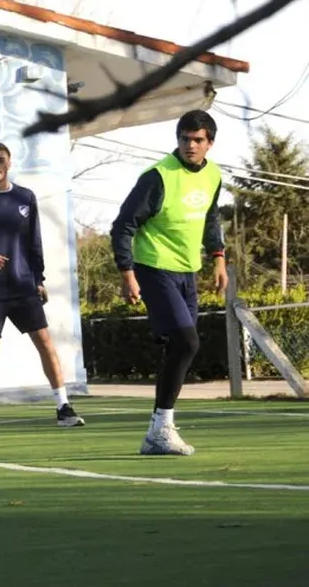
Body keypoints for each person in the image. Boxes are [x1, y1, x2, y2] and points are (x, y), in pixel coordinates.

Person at [110, 110, 227, 456]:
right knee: (186, 342)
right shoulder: (158, 177)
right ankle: (162, 428)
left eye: (197, 140)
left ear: (210, 143)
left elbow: (210, 217)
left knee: (180, 347)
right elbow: (122, 226)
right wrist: (127, 273)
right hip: (153, 267)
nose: (190, 145)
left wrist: (218, 258)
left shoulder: (214, 176)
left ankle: (157, 432)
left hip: (187, 272)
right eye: (184, 138)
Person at [0, 142, 85, 432]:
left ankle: (63, 406)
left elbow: (34, 243)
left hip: (24, 286)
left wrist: (39, 280)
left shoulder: (26, 198)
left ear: (9, 163)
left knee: (45, 343)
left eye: (1, 160)